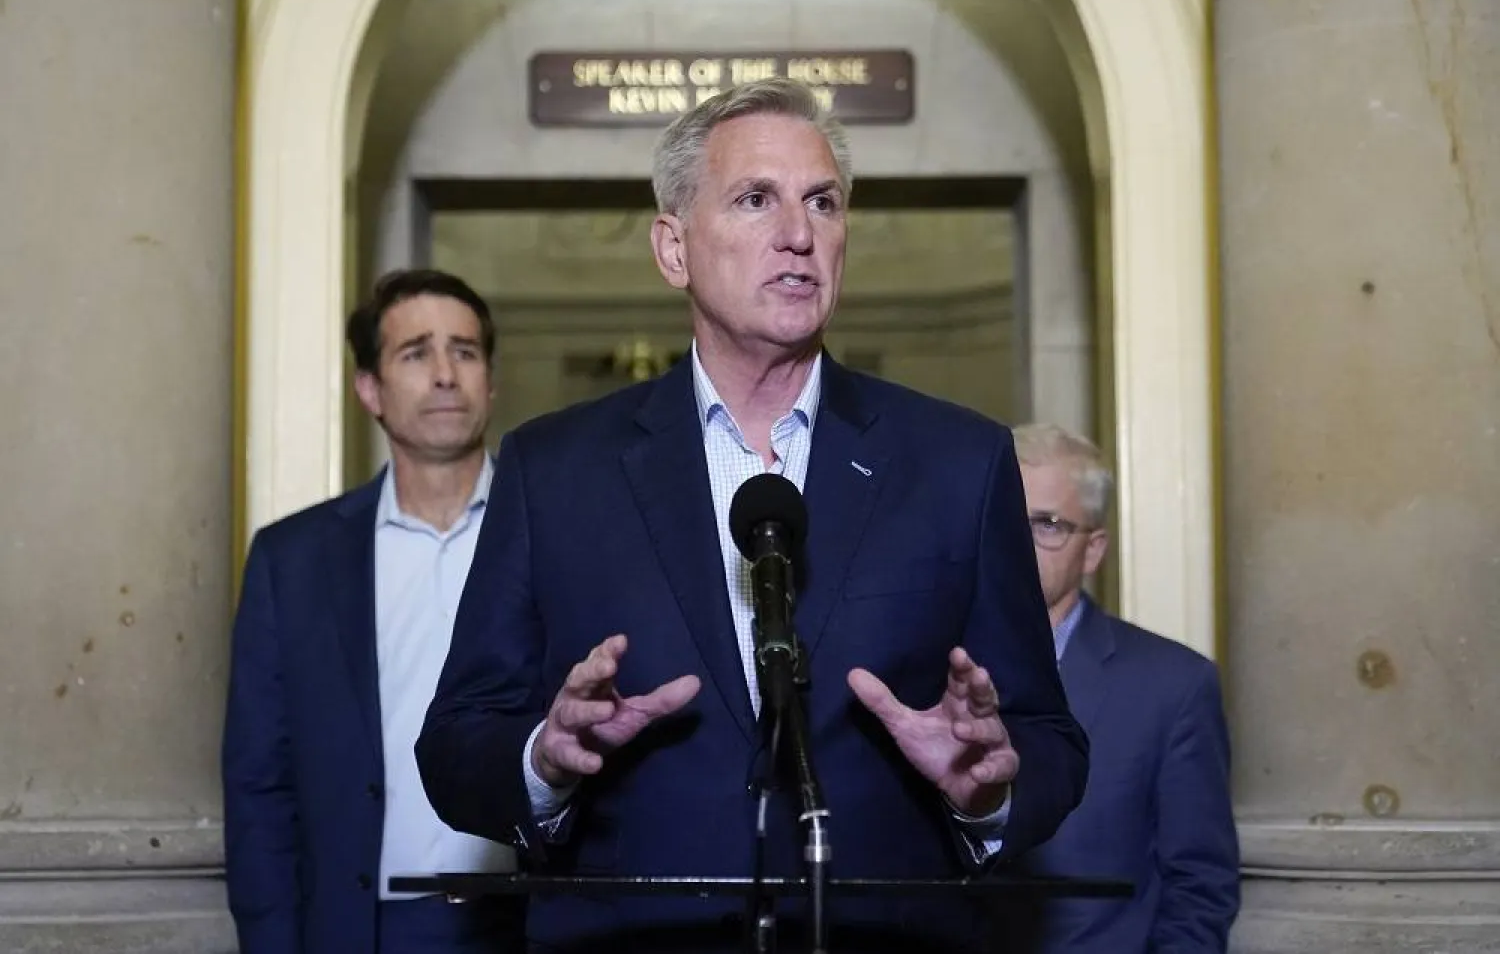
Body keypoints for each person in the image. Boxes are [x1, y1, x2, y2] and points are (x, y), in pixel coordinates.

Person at [415, 78, 1087, 953]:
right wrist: (545, 757)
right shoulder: (555, 468)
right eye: (755, 200)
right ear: (673, 248)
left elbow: (1048, 739)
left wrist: (987, 786)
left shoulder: (959, 461)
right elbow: (459, 742)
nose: (800, 235)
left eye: (823, 202)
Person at [222, 269, 524, 954]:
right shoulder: (292, 561)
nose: (446, 373)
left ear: (491, 379)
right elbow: (259, 783)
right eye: (416, 352)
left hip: (523, 920)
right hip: (363, 926)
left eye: (466, 351)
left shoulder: (558, 535)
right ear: (369, 389)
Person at [993, 423, 1240, 953]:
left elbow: (1199, 888)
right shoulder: (920, 669)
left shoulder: (1172, 687)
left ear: (1093, 549)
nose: (1015, 541)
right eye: (1001, 517)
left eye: (1047, 524)